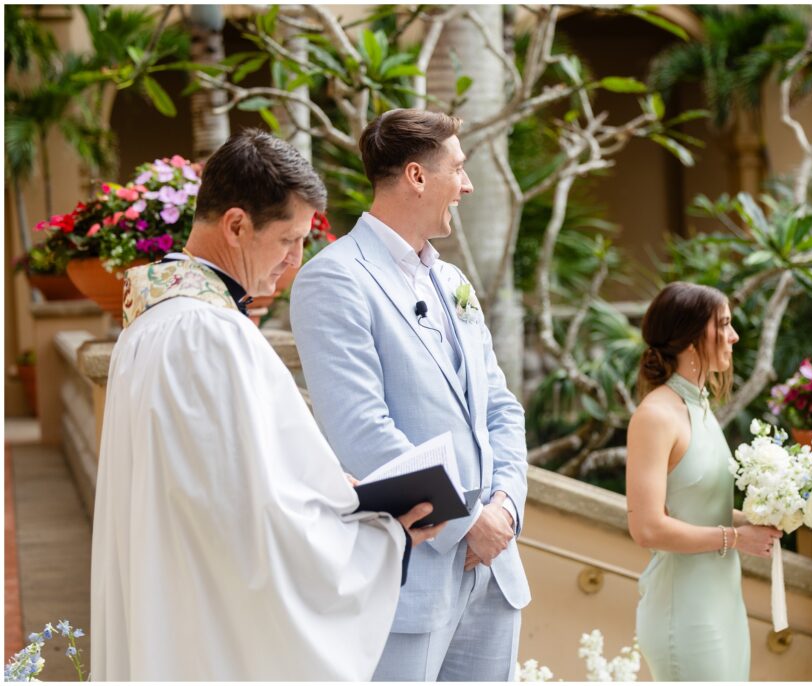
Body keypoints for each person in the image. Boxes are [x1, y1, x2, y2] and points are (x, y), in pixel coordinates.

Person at [90, 129, 443, 681]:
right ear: (235, 225)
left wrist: (328, 491)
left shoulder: (153, 324)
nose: (294, 261)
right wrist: (383, 536)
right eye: (288, 240)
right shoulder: (210, 334)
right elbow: (258, 517)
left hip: (173, 604)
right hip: (208, 628)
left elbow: (225, 486)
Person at [290, 108, 531, 681]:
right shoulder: (335, 279)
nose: (467, 185)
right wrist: (468, 521)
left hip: (495, 568)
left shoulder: (452, 280)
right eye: (459, 169)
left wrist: (506, 508)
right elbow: (361, 431)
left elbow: (499, 407)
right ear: (418, 177)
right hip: (414, 573)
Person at [625, 282, 782, 681]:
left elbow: (696, 505)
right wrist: (734, 538)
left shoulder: (700, 406)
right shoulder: (656, 416)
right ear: (693, 339)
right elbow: (646, 527)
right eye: (724, 324)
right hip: (685, 612)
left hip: (724, 604)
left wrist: (758, 518)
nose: (734, 335)